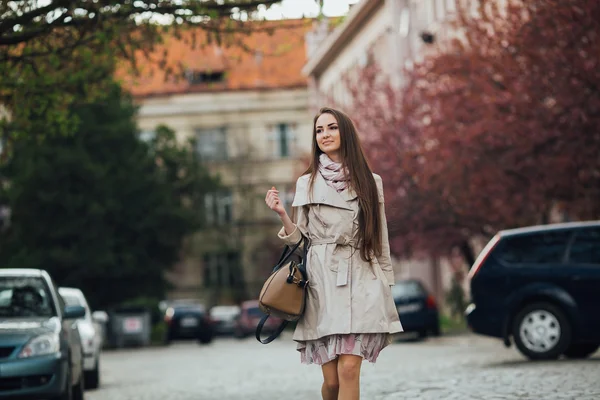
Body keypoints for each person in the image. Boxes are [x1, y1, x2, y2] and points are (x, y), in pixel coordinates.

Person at [264, 107, 403, 400]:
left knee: (350, 370)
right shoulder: (307, 183)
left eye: (331, 128)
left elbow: (381, 239)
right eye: (319, 130)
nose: (325, 135)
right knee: (332, 382)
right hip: (322, 282)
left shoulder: (370, 181)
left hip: (361, 277)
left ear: (345, 133)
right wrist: (281, 214)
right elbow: (299, 239)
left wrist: (386, 283)